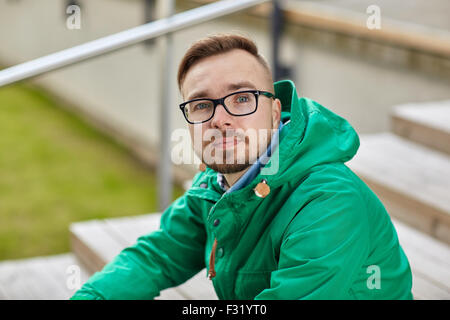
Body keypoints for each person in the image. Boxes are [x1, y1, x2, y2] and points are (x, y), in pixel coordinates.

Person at [71, 34, 413, 300]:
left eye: (241, 99)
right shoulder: (215, 186)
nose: (220, 119)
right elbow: (155, 257)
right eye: (202, 104)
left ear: (276, 113)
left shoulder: (329, 200)